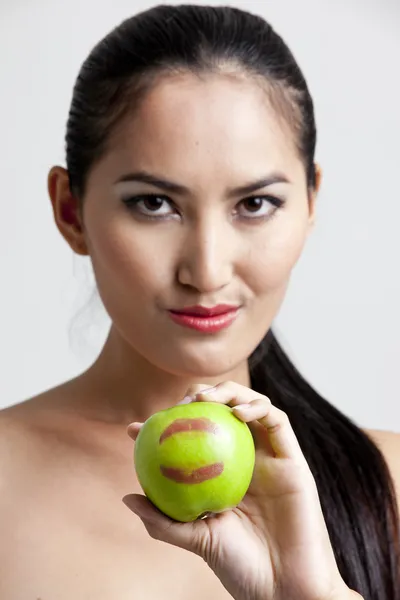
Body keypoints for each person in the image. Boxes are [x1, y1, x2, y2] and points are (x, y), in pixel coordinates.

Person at [0, 4, 399, 599]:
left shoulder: (390, 487)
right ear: (70, 211)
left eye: (255, 204)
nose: (206, 271)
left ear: (311, 201)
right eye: (153, 204)